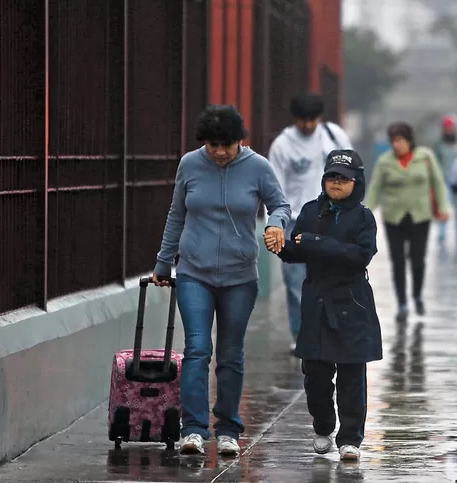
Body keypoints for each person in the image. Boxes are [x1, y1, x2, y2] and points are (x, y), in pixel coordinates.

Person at [152, 104, 291, 456]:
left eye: (225, 145)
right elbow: (176, 213)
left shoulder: (258, 167)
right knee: (198, 348)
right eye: (212, 145)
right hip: (194, 272)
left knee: (230, 353)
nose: (217, 152)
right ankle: (194, 429)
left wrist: (275, 224)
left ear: (239, 142)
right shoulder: (190, 164)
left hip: (239, 276)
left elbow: (281, 205)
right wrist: (163, 262)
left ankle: (228, 428)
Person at [269, 149, 382, 461]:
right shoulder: (310, 211)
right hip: (316, 303)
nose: (337, 183)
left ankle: (350, 439)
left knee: (351, 376)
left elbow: (360, 255)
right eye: (332, 176)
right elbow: (298, 249)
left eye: (344, 179)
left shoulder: (363, 217)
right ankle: (323, 426)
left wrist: (319, 244)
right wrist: (281, 246)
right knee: (315, 375)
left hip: (352, 302)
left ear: (356, 182)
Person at [268, 93, 352, 352]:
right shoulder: (282, 145)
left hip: (331, 219)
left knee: (332, 276)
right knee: (296, 283)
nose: (307, 125)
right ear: (295, 119)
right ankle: (302, 334)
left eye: (312, 120)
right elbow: (274, 186)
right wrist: (275, 223)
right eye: (302, 120)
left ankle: (331, 329)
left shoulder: (334, 136)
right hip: (295, 221)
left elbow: (352, 173)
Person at [365, 121, 450, 322]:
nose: (396, 145)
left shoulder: (425, 157)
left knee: (417, 259)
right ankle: (402, 303)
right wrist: (366, 212)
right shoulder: (384, 161)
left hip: (420, 216)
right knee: (398, 261)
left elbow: (437, 182)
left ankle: (417, 296)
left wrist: (444, 208)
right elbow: (376, 187)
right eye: (393, 141)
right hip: (394, 217)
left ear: (409, 140)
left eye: (400, 140)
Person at [433, 115, 457, 249]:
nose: (448, 131)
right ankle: (442, 236)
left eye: (451, 128)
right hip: (444, 182)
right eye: (446, 128)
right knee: (443, 209)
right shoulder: (439, 145)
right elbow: (435, 163)